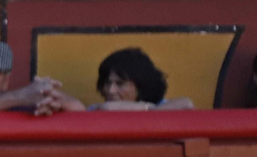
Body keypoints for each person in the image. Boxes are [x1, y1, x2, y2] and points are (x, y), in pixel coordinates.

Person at [57, 48, 192, 112]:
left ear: (141, 84)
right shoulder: (96, 110)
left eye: (120, 84)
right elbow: (105, 109)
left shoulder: (162, 106)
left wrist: (148, 109)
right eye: (107, 83)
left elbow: (186, 103)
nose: (110, 90)